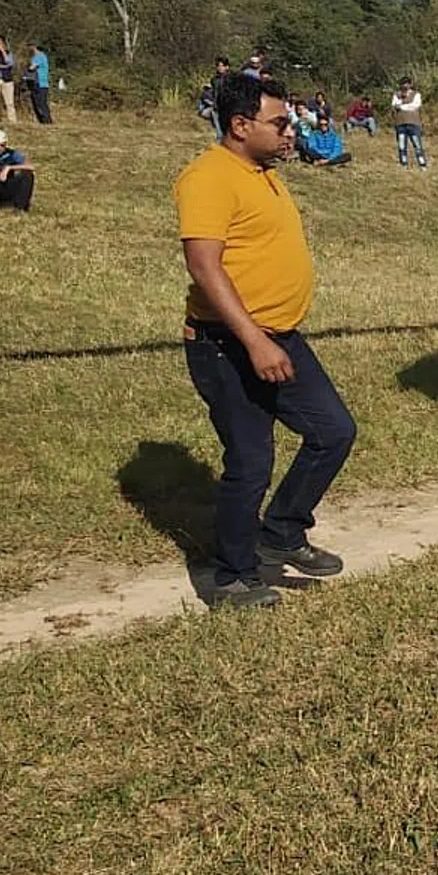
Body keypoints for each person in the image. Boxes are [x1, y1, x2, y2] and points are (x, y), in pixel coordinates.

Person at [173, 74, 357, 608]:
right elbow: (204, 266)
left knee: (334, 431)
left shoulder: (261, 172)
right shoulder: (208, 177)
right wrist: (254, 341)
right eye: (278, 123)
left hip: (279, 338)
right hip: (226, 343)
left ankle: (280, 531)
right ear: (239, 125)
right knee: (251, 460)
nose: (289, 131)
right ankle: (231, 577)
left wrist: (272, 337)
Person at [391, 77, 426, 168]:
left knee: (417, 145)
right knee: (402, 146)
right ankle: (403, 164)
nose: (404, 85)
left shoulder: (416, 94)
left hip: (413, 123)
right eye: (403, 83)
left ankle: (422, 164)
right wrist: (405, 105)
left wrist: (402, 106)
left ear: (410, 84)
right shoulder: (396, 95)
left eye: (406, 83)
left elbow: (415, 106)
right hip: (400, 123)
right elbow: (394, 105)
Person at [25, 43, 53, 124]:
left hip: (39, 83)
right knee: (40, 103)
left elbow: (32, 67)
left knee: (40, 103)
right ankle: (45, 121)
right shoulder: (43, 56)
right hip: (41, 83)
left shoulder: (38, 57)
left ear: (34, 47)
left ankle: (46, 121)